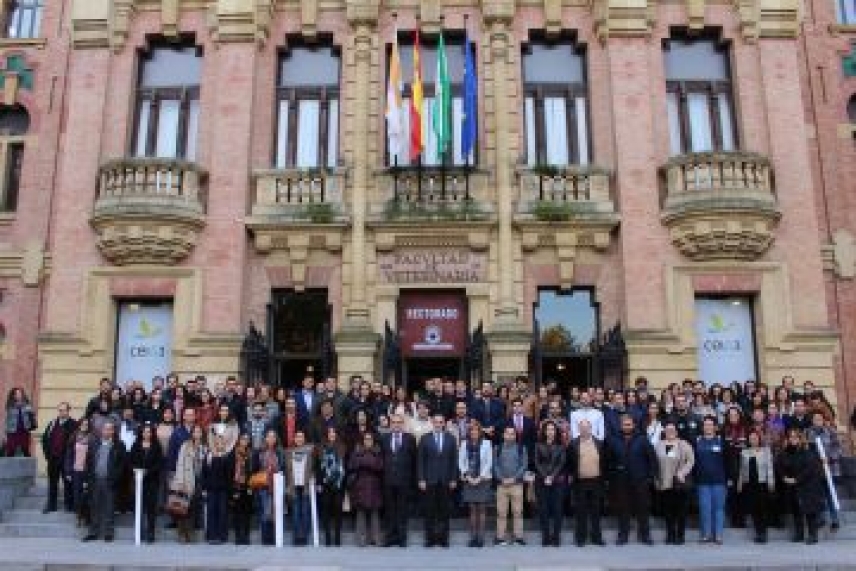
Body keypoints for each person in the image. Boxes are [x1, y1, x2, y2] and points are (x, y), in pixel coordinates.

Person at [607, 414, 657, 545]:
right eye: (624, 424)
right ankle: (622, 535)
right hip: (621, 481)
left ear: (633, 425)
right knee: (623, 509)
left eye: (629, 424)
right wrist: (612, 477)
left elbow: (652, 459)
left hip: (640, 480)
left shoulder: (642, 439)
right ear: (620, 425)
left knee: (643, 509)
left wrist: (649, 477)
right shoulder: (613, 440)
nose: (627, 427)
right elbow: (608, 461)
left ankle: (645, 535)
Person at [778, 428, 827, 544]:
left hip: (807, 485)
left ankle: (812, 535)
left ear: (800, 438)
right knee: (796, 511)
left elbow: (809, 469)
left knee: (809, 511)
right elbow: (780, 466)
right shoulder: (785, 452)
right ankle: (799, 534)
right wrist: (784, 477)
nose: (792, 439)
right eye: (790, 437)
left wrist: (796, 479)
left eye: (795, 437)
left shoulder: (807, 451)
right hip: (792, 486)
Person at [417, 414, 458, 548]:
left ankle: (443, 539)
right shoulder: (424, 438)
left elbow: (454, 461)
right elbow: (420, 461)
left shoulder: (451, 439)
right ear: (432, 423)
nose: (438, 424)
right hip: (429, 480)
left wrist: (453, 478)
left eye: (440, 422)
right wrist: (421, 479)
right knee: (429, 512)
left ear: (444, 423)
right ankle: (430, 539)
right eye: (436, 422)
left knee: (444, 512)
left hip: (446, 480)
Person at [82, 421, 126, 542]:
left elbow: (122, 465)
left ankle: (108, 533)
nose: (107, 431)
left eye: (110, 429)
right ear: (102, 431)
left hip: (109, 481)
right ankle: (93, 532)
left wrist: (115, 478)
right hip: (95, 480)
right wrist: (87, 478)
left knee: (109, 507)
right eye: (105, 429)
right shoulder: (94, 444)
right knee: (94, 506)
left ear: (113, 431)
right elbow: (88, 461)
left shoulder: (119, 445)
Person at [568, 417, 608, 547]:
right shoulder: (573, 444)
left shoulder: (599, 443)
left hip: (596, 481)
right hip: (580, 482)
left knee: (596, 511)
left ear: (591, 428)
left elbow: (604, 462)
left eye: (587, 427)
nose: (584, 429)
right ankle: (581, 538)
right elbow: (570, 464)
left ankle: (597, 537)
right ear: (579, 429)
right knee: (581, 512)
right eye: (582, 427)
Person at [654, 420, 695, 545]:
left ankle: (680, 535)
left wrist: (682, 472)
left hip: (680, 483)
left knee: (681, 512)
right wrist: (656, 479)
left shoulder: (684, 444)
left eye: (672, 430)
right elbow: (655, 463)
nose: (670, 432)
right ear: (664, 432)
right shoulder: (659, 445)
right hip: (665, 483)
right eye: (667, 430)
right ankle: (670, 535)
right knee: (668, 512)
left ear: (676, 431)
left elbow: (691, 460)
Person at [380, 413, 417, 547]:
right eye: (394, 422)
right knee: (389, 510)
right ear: (391, 424)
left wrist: (414, 480)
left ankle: (402, 538)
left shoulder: (410, 439)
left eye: (399, 422)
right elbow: (381, 459)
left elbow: (414, 460)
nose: (396, 425)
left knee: (402, 510)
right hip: (388, 480)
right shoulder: (384, 438)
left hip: (404, 480)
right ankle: (390, 538)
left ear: (403, 424)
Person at [737, 429, 776, 543]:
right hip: (749, 484)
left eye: (755, 438)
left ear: (759, 439)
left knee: (762, 509)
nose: (753, 440)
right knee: (754, 509)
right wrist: (740, 482)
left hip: (762, 483)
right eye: (751, 438)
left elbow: (769, 467)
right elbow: (741, 469)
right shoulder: (744, 452)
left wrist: (771, 481)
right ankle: (758, 532)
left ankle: (764, 533)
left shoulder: (766, 451)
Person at [458, 420, 493, 548]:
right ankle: (473, 537)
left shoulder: (487, 443)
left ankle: (481, 538)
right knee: (472, 510)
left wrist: (480, 477)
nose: (474, 432)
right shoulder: (464, 444)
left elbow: (489, 462)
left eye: (476, 430)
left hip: (483, 479)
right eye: (471, 430)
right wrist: (467, 475)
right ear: (469, 432)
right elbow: (461, 462)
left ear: (480, 432)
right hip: (469, 479)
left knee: (482, 509)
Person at [806, 411, 842, 531]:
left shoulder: (830, 431)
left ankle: (835, 520)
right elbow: (806, 450)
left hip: (829, 468)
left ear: (823, 419)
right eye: (815, 418)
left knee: (830, 494)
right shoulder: (807, 432)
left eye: (819, 418)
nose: (817, 421)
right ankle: (821, 519)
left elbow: (837, 447)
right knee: (818, 495)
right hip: (815, 469)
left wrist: (830, 457)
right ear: (812, 420)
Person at [493, 425, 528, 546]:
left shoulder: (520, 448)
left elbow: (524, 465)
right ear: (503, 435)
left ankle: (518, 537)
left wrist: (514, 478)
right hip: (502, 484)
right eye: (507, 433)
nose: (509, 436)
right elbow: (495, 465)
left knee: (517, 512)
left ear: (515, 435)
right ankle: (500, 537)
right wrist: (501, 478)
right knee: (501, 512)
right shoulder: (498, 448)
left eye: (512, 434)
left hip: (516, 484)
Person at [129, 423, 164, 543]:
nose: (146, 434)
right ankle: (139, 532)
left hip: (152, 481)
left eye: (149, 432)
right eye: (144, 432)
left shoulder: (156, 446)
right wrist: (135, 470)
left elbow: (159, 464)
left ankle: (150, 533)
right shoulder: (136, 445)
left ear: (152, 433)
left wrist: (147, 472)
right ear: (141, 433)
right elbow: (131, 461)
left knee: (151, 509)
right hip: (138, 482)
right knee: (139, 508)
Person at [695, 416, 727, 545]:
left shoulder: (721, 441)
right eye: (705, 425)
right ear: (703, 427)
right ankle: (706, 535)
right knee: (704, 508)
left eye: (710, 425)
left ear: (715, 427)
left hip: (719, 481)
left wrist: (729, 479)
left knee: (719, 508)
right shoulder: (697, 440)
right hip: (702, 481)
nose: (708, 427)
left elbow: (727, 461)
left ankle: (718, 535)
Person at [533, 420, 566, 547]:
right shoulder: (538, 445)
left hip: (557, 481)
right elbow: (537, 462)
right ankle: (546, 536)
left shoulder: (561, 446)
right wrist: (545, 476)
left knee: (558, 509)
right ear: (544, 432)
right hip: (541, 481)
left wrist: (552, 476)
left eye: (552, 429)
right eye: (548, 429)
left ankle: (556, 536)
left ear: (555, 431)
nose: (550, 432)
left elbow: (561, 463)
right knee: (544, 510)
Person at [349, 430, 384, 547]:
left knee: (375, 514)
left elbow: (379, 466)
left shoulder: (377, 451)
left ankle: (376, 539)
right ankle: (361, 540)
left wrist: (364, 463)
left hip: (374, 485)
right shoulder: (357, 451)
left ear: (373, 441)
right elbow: (352, 465)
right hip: (360, 485)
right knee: (361, 514)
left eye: (370, 439)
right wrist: (369, 463)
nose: (368, 441)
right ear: (363, 441)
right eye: (366, 439)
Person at [41, 402, 78, 513]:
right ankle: (51, 505)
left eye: (64, 410)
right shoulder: (53, 423)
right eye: (60, 410)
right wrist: (48, 455)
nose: (62, 412)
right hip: (53, 459)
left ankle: (69, 505)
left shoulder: (74, 424)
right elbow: (45, 439)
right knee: (52, 483)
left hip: (66, 460)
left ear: (68, 411)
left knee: (68, 483)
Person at [172, 424, 206, 543]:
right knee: (182, 507)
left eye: (199, 432)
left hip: (199, 480)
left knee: (193, 507)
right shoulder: (185, 446)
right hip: (186, 479)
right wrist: (180, 481)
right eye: (195, 432)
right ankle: (181, 534)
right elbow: (180, 464)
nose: (197, 434)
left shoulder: (204, 447)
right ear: (192, 433)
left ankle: (189, 533)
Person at [316, 426, 347, 546]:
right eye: (330, 432)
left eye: (334, 432)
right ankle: (328, 538)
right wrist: (319, 482)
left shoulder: (342, 447)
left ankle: (337, 538)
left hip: (338, 483)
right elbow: (318, 466)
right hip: (325, 483)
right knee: (326, 511)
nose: (332, 434)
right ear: (327, 434)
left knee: (338, 510)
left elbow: (345, 465)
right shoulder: (321, 447)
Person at [253, 428, 285, 545]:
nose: (271, 439)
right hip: (263, 486)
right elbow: (255, 469)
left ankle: (274, 538)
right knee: (266, 513)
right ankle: (265, 539)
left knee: (275, 513)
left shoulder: (280, 452)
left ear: (276, 439)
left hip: (276, 486)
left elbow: (283, 468)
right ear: (265, 438)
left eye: (273, 437)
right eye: (269, 437)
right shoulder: (259, 452)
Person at [285, 430, 315, 546]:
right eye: (297, 437)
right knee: (296, 513)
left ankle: (304, 536)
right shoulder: (289, 452)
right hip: (294, 486)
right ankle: (297, 537)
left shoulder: (310, 451)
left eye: (301, 437)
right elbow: (286, 470)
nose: (299, 439)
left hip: (306, 485)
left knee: (305, 512)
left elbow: (313, 467)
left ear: (304, 439)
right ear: (294, 439)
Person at [200, 433, 232, 544]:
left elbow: (229, 475)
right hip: (211, 489)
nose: (219, 443)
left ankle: (221, 536)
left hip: (223, 490)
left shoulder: (227, 456)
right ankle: (211, 536)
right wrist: (204, 488)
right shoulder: (208, 455)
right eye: (217, 441)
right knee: (211, 512)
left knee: (222, 513)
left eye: (221, 441)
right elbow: (204, 473)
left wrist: (229, 490)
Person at [66, 417, 93, 527]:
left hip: (87, 471)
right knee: (77, 496)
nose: (84, 426)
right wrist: (68, 471)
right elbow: (69, 456)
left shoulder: (92, 438)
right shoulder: (73, 437)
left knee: (86, 495)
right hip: (76, 471)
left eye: (86, 424)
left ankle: (86, 517)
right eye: (82, 424)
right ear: (79, 425)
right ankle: (78, 516)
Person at [228, 433, 254, 545]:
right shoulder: (233, 453)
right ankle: (238, 536)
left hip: (248, 486)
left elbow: (254, 470)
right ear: (238, 440)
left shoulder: (252, 453)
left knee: (247, 513)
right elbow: (229, 471)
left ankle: (246, 536)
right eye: (243, 439)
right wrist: (233, 488)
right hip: (236, 486)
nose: (245, 441)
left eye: (247, 439)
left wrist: (251, 485)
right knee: (237, 512)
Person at [5, 387, 37, 457]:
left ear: (22, 394)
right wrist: (6, 432)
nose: (18, 395)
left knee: (25, 450)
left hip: (24, 431)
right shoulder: (10, 405)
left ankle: (28, 467)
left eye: (20, 393)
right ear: (13, 395)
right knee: (10, 451)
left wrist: (30, 412)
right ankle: (9, 467)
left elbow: (32, 416)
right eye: (16, 394)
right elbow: (7, 420)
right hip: (13, 432)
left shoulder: (27, 405)